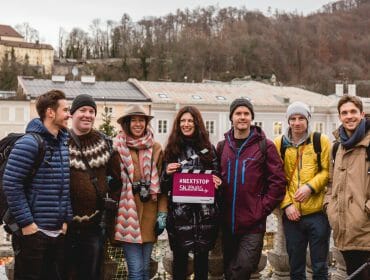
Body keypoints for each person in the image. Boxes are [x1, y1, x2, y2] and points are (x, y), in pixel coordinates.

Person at [3, 89, 72, 280]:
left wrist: (65, 220)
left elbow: (64, 186)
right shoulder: (29, 143)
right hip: (33, 234)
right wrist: (27, 224)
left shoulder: (62, 144)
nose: (69, 114)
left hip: (56, 233)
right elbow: (11, 183)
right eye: (65, 110)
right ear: (50, 112)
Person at [217, 98, 286, 280]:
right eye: (238, 113)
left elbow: (278, 182)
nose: (242, 117)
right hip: (227, 222)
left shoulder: (265, 145)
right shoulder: (222, 146)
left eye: (246, 114)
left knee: (244, 268)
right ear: (231, 117)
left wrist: (261, 208)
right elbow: (215, 178)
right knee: (229, 270)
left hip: (253, 224)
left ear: (251, 117)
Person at [65, 94, 122, 280]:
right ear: (72, 114)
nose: (87, 115)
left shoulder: (105, 144)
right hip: (64, 226)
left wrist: (110, 203)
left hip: (94, 226)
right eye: (82, 110)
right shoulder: (59, 142)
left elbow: (118, 180)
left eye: (91, 111)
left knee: (91, 275)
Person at [161, 106, 222, 280]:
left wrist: (216, 180)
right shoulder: (172, 149)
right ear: (178, 124)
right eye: (182, 121)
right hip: (179, 216)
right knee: (179, 265)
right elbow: (162, 185)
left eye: (190, 120)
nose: (186, 124)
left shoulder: (208, 149)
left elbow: (216, 174)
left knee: (202, 266)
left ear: (197, 123)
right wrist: (167, 173)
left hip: (205, 216)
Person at [274, 101, 331, 279]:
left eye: (301, 118)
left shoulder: (319, 140)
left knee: (320, 266)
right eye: (293, 118)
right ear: (288, 121)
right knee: (296, 268)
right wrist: (286, 204)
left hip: (318, 213)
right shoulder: (279, 144)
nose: (297, 122)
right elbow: (276, 179)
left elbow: (327, 171)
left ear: (308, 120)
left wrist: (310, 187)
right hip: (292, 216)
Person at [112, 104, 167, 280]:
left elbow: (163, 185)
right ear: (127, 123)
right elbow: (111, 179)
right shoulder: (117, 147)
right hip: (127, 214)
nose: (138, 124)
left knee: (144, 270)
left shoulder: (156, 147)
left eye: (141, 120)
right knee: (135, 271)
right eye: (134, 120)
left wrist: (162, 213)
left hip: (149, 215)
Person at [324, 95, 370, 280]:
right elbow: (330, 183)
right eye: (344, 112)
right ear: (339, 116)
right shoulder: (337, 148)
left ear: (362, 114)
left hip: (366, 229)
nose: (349, 116)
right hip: (344, 231)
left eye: (353, 112)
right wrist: (330, 208)